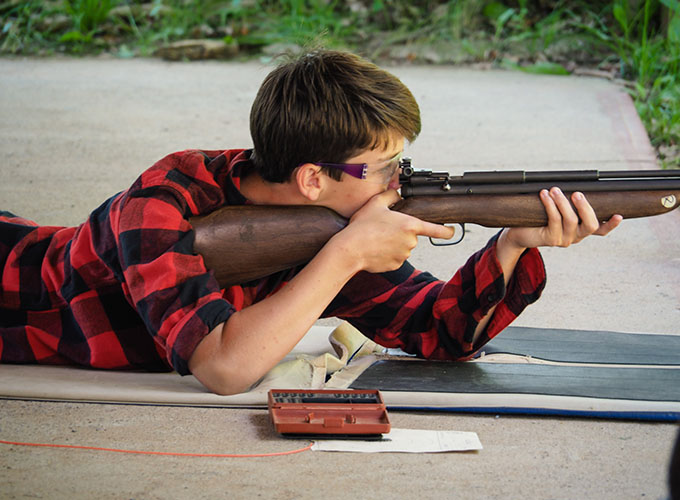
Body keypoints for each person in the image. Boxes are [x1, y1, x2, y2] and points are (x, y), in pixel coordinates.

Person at [0, 49, 621, 395]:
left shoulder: (327, 220)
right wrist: (345, 256)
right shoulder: (160, 206)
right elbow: (224, 367)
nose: (398, 184)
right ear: (312, 178)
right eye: (383, 168)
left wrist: (513, 243)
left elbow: (443, 335)